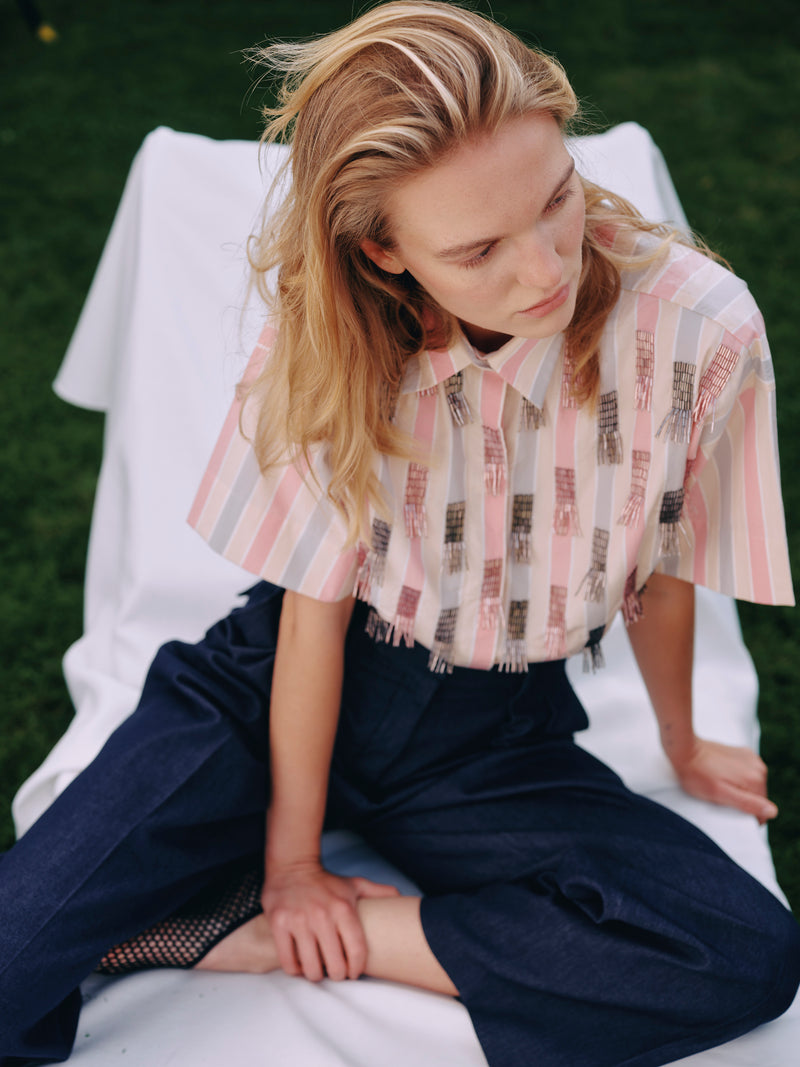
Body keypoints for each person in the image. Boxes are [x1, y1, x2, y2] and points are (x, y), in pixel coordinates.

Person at [1, 2, 798, 1064]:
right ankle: (228, 897)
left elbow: (656, 563)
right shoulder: (336, 342)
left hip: (484, 735)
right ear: (383, 249)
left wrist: (680, 737)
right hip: (266, 690)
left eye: (557, 198)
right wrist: (295, 866)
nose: (545, 269)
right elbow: (308, 623)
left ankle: (235, 930)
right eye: (477, 249)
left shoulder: (701, 331)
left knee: (739, 949)